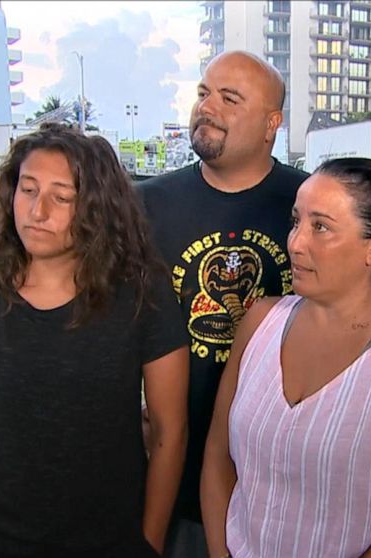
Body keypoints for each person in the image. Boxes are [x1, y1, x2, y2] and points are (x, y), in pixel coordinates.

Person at [0, 124, 188, 558]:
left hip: (111, 545)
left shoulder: (143, 300)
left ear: (97, 207)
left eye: (62, 196)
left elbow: (171, 432)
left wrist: (147, 545)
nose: (38, 210)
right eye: (28, 189)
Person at [201, 157, 371, 558]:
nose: (295, 242)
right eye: (296, 221)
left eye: (321, 227)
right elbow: (218, 462)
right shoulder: (260, 321)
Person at [139, 51, 308, 556]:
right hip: (167, 473)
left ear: (271, 123)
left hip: (279, 484)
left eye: (229, 98)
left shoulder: (309, 204)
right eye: (203, 93)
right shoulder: (145, 205)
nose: (207, 107)